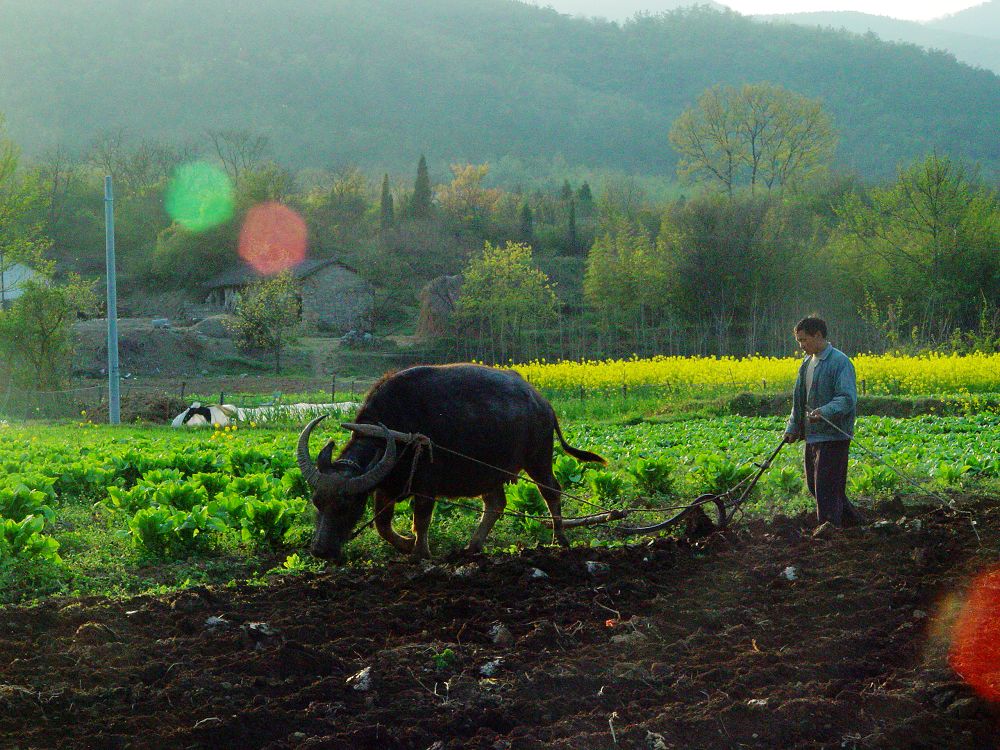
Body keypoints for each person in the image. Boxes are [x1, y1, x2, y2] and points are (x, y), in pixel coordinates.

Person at [784, 316, 863, 528]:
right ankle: (854, 525)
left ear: (818, 335)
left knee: (826, 488)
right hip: (812, 435)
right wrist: (793, 427)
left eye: (804, 340)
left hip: (834, 435)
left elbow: (847, 398)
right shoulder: (806, 364)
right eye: (799, 341)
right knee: (816, 486)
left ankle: (828, 531)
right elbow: (799, 401)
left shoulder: (840, 362)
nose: (801, 346)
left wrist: (824, 411)